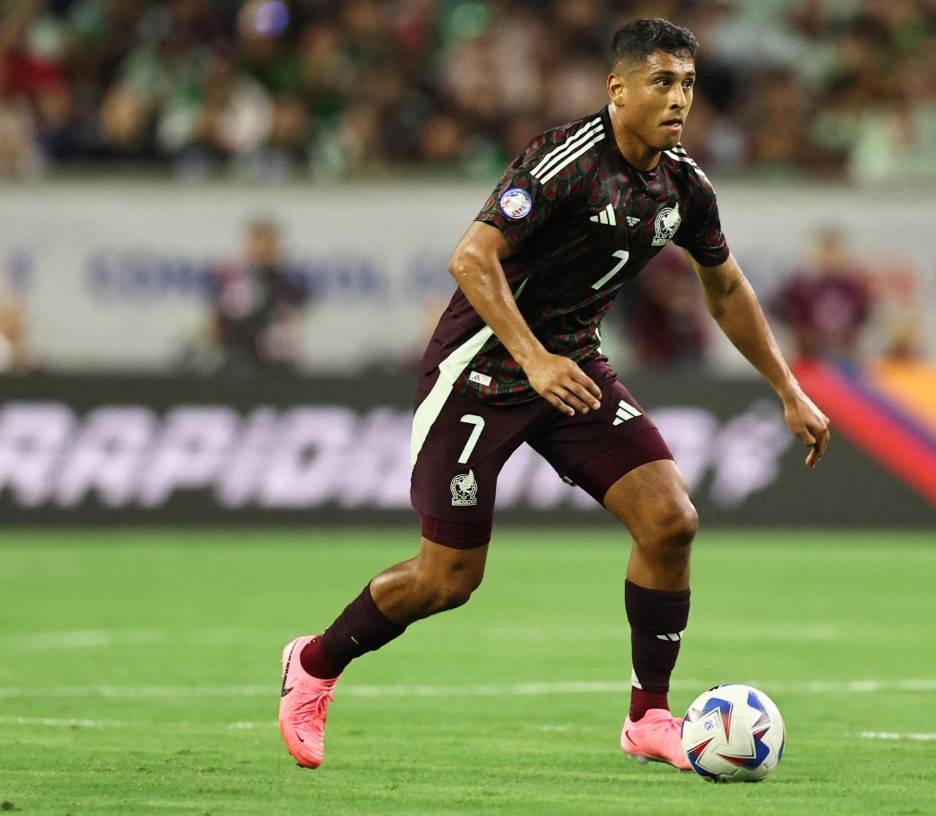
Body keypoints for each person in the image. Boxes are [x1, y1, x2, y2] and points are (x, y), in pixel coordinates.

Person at [277, 18, 831, 772]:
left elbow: (726, 286)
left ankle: (650, 718)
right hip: (479, 374)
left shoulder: (684, 185)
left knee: (670, 520)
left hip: (568, 370)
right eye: (662, 82)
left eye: (689, 84)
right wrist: (532, 358)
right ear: (619, 88)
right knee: (448, 581)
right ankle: (313, 665)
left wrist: (788, 389)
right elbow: (470, 258)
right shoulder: (566, 160)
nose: (678, 100)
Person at [209, 218, 308, 374]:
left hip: (282, 364)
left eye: (269, 243)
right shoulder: (238, 283)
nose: (264, 250)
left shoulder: (287, 283)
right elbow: (227, 325)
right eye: (259, 243)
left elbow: (296, 311)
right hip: (247, 365)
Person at [772, 226, 873, 363]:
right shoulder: (801, 286)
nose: (830, 256)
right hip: (809, 357)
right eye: (825, 250)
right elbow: (777, 308)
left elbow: (865, 314)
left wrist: (852, 336)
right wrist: (798, 332)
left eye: (833, 250)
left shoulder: (853, 288)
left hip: (844, 355)